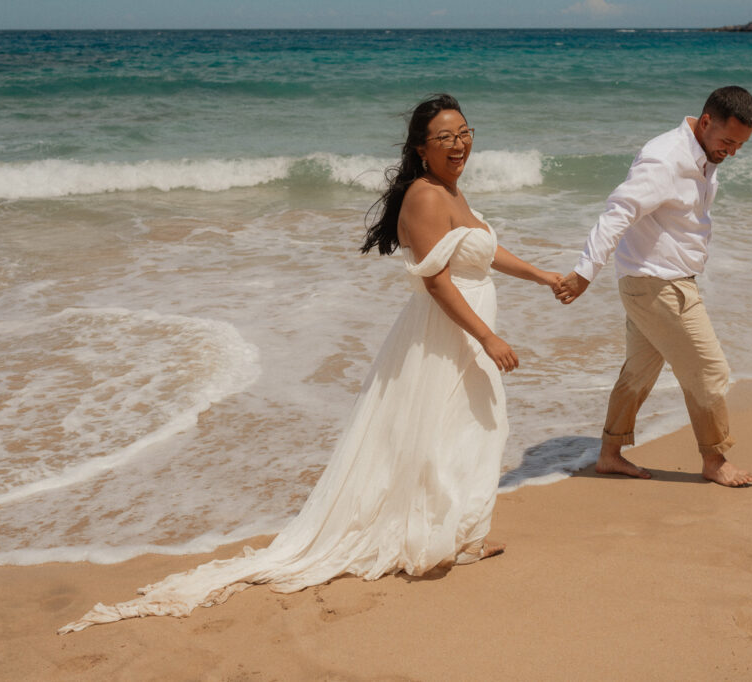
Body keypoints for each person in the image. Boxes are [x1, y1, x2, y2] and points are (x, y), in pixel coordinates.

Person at [60, 93, 562, 633]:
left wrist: (546, 277)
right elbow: (438, 281)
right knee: (442, 432)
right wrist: (487, 336)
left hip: (462, 329)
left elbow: (482, 254)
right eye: (444, 137)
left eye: (463, 132)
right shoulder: (424, 196)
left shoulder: (451, 190)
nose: (458, 144)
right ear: (421, 149)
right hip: (447, 333)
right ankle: (439, 538)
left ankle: (459, 535)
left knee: (467, 427)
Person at [554, 86, 752, 488]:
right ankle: (714, 459)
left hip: (653, 280)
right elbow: (619, 212)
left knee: (639, 372)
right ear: (704, 122)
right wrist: (584, 271)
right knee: (709, 371)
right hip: (657, 284)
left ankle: (610, 455)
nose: (732, 152)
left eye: (740, 145)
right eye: (728, 141)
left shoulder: (702, 153)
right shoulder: (664, 158)